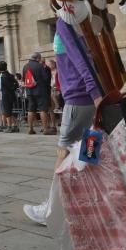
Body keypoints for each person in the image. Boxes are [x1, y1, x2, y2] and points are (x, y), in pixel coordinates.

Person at [23, 18, 105, 226]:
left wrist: (94, 91)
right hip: (90, 99)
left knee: (65, 152)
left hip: (78, 98)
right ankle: (86, 203)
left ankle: (52, 209)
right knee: (89, 154)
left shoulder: (64, 21)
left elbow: (79, 58)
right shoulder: (82, 18)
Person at [23, 52, 56, 135]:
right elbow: (46, 78)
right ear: (38, 58)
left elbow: (24, 78)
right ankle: (45, 129)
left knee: (30, 110)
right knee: (43, 110)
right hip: (40, 91)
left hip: (30, 91)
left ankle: (30, 129)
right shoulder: (40, 66)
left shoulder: (25, 66)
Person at [0, 62, 19, 133]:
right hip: (12, 95)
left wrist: (11, 88)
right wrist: (13, 88)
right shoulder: (10, 75)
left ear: (0, 68)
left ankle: (9, 127)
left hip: (6, 96)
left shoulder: (3, 76)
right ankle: (15, 126)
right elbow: (16, 84)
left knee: (7, 112)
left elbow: (8, 86)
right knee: (11, 111)